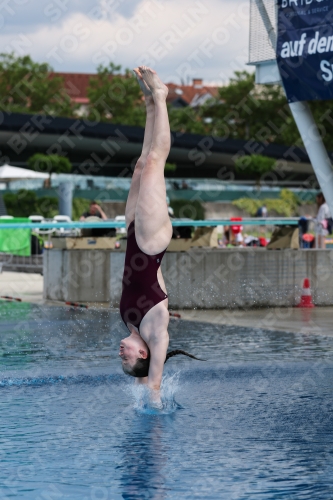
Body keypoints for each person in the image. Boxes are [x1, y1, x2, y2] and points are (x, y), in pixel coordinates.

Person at [119, 66, 201, 406]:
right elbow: (153, 386)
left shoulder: (130, 322)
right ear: (144, 353)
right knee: (155, 163)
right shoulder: (156, 331)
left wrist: (136, 385)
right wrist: (151, 395)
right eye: (126, 357)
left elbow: (139, 381)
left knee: (140, 165)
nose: (120, 353)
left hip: (133, 236)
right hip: (151, 242)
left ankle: (151, 104)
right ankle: (163, 97)